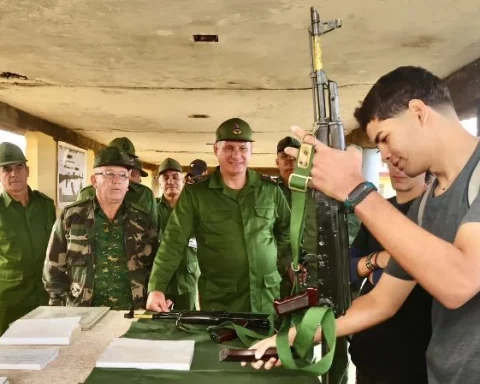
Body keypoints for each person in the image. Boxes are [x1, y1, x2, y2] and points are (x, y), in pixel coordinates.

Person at [244, 66, 480, 384]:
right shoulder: (427, 206)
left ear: (418, 112)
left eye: (384, 138)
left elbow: (459, 283)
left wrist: (356, 191)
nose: (383, 156)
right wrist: (293, 339)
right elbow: (382, 300)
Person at [146, 118, 291, 314]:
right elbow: (174, 241)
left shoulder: (270, 190)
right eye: (229, 148)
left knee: (267, 345)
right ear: (216, 150)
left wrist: (273, 261)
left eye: (243, 148)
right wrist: (157, 287)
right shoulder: (197, 194)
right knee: (220, 345)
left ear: (251, 151)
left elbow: (286, 233)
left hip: (267, 297)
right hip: (221, 301)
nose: (236, 155)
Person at [43, 146, 158, 309]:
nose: (117, 180)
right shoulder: (71, 217)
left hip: (132, 313)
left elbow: (155, 267)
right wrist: (61, 309)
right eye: (109, 174)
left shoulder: (142, 220)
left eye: (123, 175)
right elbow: (53, 269)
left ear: (128, 184)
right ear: (94, 180)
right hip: (83, 313)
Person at [349, 163, 432, 384]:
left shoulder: (434, 211)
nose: (398, 167)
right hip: (369, 351)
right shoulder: (379, 212)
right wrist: (376, 260)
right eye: (390, 159)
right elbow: (349, 267)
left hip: (416, 355)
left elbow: (425, 278)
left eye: (404, 159)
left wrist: (373, 273)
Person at [0, 142, 56, 335]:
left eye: (19, 167)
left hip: (45, 296)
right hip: (8, 300)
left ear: (27, 170)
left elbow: (58, 248)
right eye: (6, 169)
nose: (14, 174)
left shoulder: (46, 206)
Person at [77, 137, 158, 230]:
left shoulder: (145, 194)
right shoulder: (87, 193)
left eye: (129, 158)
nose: (123, 161)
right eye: (117, 156)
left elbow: (155, 232)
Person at [157, 157, 200, 310]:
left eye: (175, 177)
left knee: (189, 323)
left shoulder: (194, 209)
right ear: (159, 183)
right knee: (160, 324)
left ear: (183, 180)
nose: (171, 181)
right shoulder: (153, 210)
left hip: (188, 279)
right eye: (165, 178)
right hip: (161, 281)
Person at [275, 136, 300, 207]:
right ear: (277, 162)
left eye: (295, 156)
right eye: (284, 156)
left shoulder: (312, 189)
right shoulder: (269, 189)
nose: (290, 160)